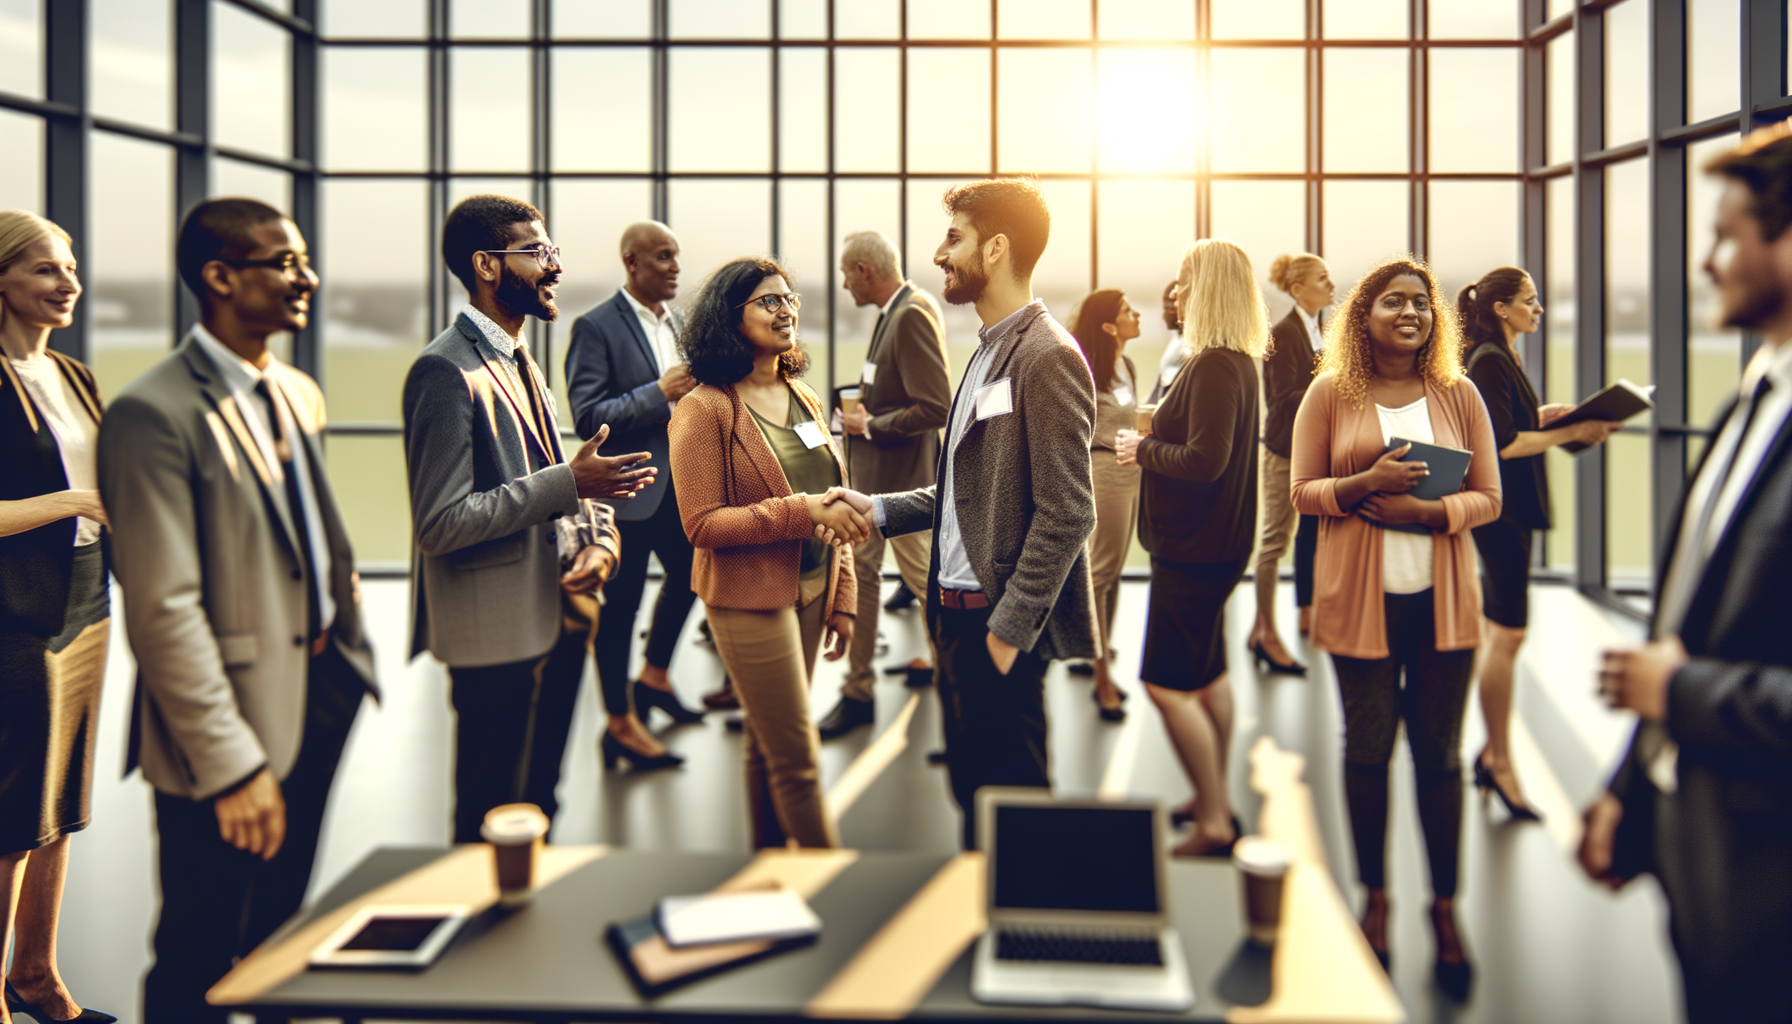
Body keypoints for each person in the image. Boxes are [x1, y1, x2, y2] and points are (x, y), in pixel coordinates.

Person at [96, 198, 379, 1024]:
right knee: (198, 947)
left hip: (320, 690)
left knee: (280, 931)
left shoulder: (296, 389)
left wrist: (347, 660)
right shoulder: (153, 414)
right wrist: (231, 766)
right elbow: (163, 610)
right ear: (220, 277)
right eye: (285, 263)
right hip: (227, 730)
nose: (308, 280)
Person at [1579, 123, 1792, 1024]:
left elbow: (1681, 670)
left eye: (1727, 234)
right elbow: (1690, 625)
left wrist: (1687, 693)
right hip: (1706, 861)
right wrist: (1630, 793)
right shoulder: (1755, 399)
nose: (1706, 262)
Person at [822, 179, 1098, 850]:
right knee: (971, 796)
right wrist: (880, 508)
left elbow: (1066, 512)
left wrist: (1007, 632)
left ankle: (1019, 939)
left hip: (994, 626)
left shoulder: (1047, 357)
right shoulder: (984, 349)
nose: (939, 254)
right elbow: (966, 492)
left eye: (954, 238)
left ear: (997, 249)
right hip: (953, 618)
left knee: (1012, 813)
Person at [1288, 255, 1501, 998]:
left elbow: (1491, 498)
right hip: (1361, 602)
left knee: (1441, 758)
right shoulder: (1329, 393)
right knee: (1369, 751)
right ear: (1363, 315)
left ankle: (1444, 909)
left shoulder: (1459, 391)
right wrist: (1363, 486)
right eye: (1392, 302)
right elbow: (1303, 493)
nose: (1409, 313)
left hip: (1443, 606)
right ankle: (1374, 899)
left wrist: (1429, 513)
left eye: (1420, 302)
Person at [404, 195, 645, 836]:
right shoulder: (443, 371)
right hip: (497, 638)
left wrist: (599, 540)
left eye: (553, 250)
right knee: (490, 818)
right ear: (487, 265)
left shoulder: (519, 356)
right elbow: (441, 523)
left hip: (557, 619)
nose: (555, 266)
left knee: (540, 804)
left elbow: (564, 470)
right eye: (538, 252)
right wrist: (571, 482)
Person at [666, 257, 863, 849]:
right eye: (769, 302)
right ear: (732, 318)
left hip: (813, 588)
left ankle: (767, 868)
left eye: (790, 298)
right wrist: (802, 512)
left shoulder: (800, 393)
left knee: (766, 742)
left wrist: (844, 593)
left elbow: (835, 497)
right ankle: (829, 880)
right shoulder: (704, 409)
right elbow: (701, 524)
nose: (787, 310)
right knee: (799, 758)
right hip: (750, 598)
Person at [0, 212, 114, 1024]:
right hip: (15, 610)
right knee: (13, 809)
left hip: (87, 596)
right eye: (44, 269)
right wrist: (71, 501)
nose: (66, 281)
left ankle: (36, 975)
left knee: (63, 798)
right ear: (1, 280)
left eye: (69, 266)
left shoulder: (73, 374)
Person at [1114, 241, 1264, 854]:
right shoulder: (1235, 361)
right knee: (1209, 675)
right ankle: (1213, 799)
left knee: (1165, 686)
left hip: (1194, 550)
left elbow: (1205, 461)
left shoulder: (1213, 365)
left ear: (1210, 289)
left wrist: (1140, 449)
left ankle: (1213, 825)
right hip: (1219, 545)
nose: (1173, 292)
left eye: (1183, 281)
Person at [1458, 267, 1619, 820]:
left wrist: (1555, 417)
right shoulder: (1488, 360)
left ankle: (1492, 754)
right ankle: (1499, 760)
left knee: (1505, 634)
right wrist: (1571, 433)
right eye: (1530, 301)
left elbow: (1514, 425)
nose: (1539, 309)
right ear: (1501, 308)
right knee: (1506, 635)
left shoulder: (1500, 358)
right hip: (1501, 513)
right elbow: (1500, 446)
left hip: (1511, 511)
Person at [565, 220, 707, 764]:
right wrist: (658, 391)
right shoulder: (595, 327)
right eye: (663, 256)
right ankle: (619, 724)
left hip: (681, 487)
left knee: (695, 575)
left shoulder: (680, 323)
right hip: (625, 495)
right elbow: (588, 415)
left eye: (676, 256)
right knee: (619, 611)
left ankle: (653, 677)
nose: (675, 266)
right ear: (633, 262)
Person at [818, 230, 951, 740]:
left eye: (845, 273)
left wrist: (869, 425)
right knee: (871, 577)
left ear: (863, 271)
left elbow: (935, 405)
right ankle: (858, 689)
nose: (844, 285)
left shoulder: (910, 313)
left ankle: (964, 685)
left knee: (929, 588)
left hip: (903, 486)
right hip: (883, 481)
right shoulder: (897, 310)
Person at [1251, 253, 1334, 675]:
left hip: (1312, 449)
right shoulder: (1284, 333)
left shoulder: (1318, 330)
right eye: (1322, 279)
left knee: (1308, 533)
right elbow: (1284, 397)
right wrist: (1334, 396)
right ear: (1298, 289)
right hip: (1285, 450)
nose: (1331, 285)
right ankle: (1265, 630)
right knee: (1273, 542)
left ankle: (1282, 618)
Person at [1067, 288, 1142, 721]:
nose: (1137, 315)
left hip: (1131, 472)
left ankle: (1096, 646)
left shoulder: (1127, 364)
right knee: (1102, 572)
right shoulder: (1086, 370)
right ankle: (1101, 677)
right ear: (1110, 326)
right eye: (1128, 312)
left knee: (1110, 572)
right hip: (1105, 472)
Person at [1146, 278, 1185, 405]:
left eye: (1173, 300)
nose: (1168, 306)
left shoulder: (1193, 347)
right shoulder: (1176, 340)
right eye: (1166, 301)